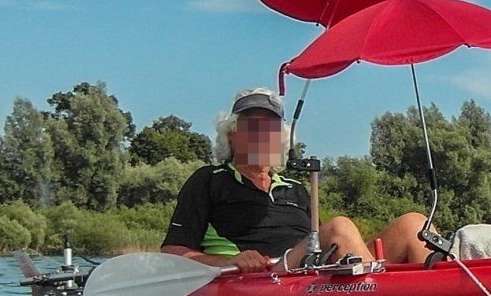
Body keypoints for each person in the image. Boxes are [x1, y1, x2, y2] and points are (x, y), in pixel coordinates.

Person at [161, 88, 433, 270]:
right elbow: (174, 253)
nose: (262, 135)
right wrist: (229, 261)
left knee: (414, 224)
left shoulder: (295, 189)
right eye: (251, 126)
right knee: (339, 227)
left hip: (308, 271)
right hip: (265, 277)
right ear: (232, 134)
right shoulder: (209, 180)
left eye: (270, 128)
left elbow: (321, 243)